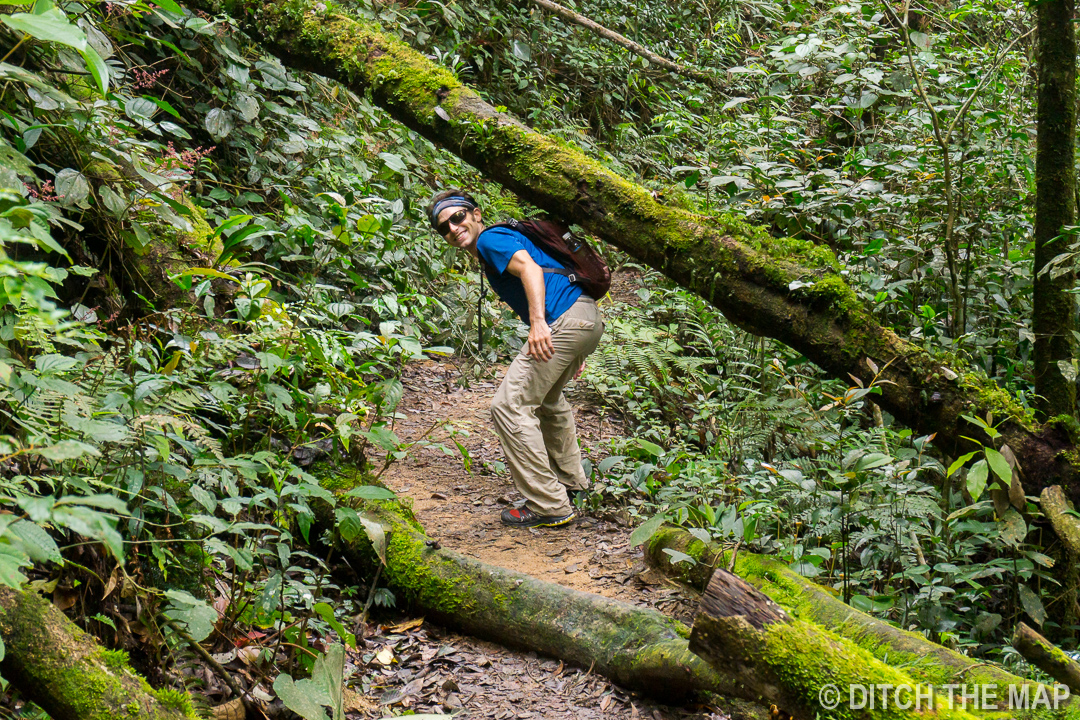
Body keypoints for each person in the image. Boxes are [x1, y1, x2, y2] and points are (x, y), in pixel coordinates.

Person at [427, 189, 604, 528]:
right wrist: (575, 340)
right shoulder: (497, 239)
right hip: (584, 317)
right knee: (549, 400)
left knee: (509, 406)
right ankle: (573, 485)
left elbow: (532, 271)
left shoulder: (491, 240)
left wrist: (540, 324)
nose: (453, 228)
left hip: (564, 319)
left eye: (457, 217)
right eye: (444, 227)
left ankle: (549, 505)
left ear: (476, 214)